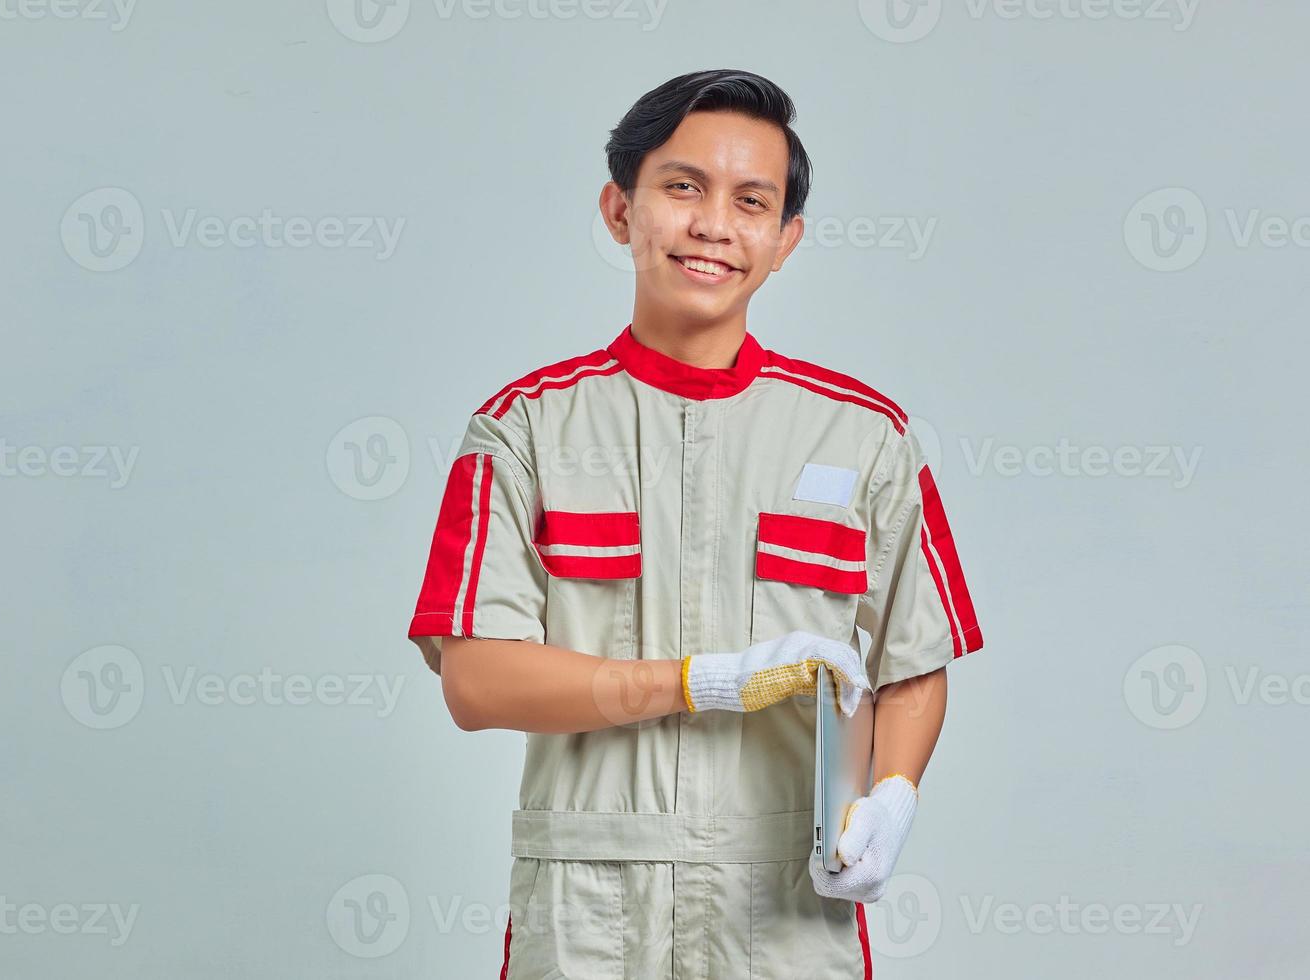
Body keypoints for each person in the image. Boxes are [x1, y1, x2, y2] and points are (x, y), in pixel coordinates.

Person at [406, 68, 985, 979]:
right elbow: (475, 680)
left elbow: (913, 661)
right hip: (589, 907)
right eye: (683, 187)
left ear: (785, 239)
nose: (715, 224)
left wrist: (895, 796)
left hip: (787, 906)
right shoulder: (524, 428)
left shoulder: (867, 436)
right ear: (618, 209)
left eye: (751, 201)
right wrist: (701, 681)